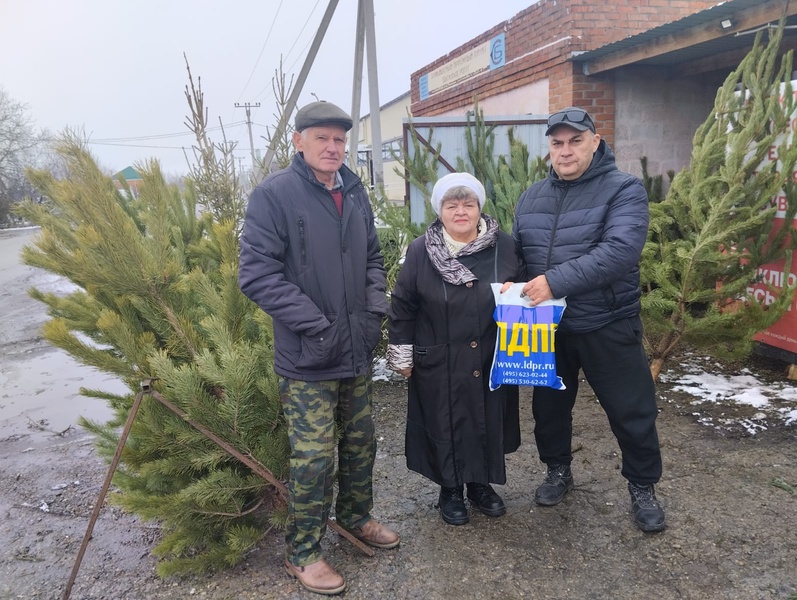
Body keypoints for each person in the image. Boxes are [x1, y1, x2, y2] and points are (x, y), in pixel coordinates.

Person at [239, 100, 399, 596]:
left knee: (360, 444)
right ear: (299, 141)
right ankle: (303, 552)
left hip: (355, 348)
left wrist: (374, 310)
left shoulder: (353, 191)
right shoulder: (274, 196)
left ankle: (355, 518)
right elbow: (257, 275)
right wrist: (318, 325)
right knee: (311, 460)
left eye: (339, 140)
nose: (332, 148)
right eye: (322, 138)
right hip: (308, 356)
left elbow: (372, 256)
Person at [509, 107, 666, 532]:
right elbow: (518, 255)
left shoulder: (625, 190)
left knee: (631, 409)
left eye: (575, 141)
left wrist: (553, 282)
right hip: (548, 327)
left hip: (607, 321)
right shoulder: (530, 197)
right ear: (550, 149)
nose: (565, 151)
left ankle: (642, 486)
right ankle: (557, 470)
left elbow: (619, 252)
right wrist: (505, 285)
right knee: (550, 408)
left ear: (594, 142)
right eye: (557, 143)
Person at [387, 172, 524, 526]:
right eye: (452, 204)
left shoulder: (505, 246)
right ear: (440, 210)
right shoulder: (421, 251)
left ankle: (480, 485)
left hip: (491, 353)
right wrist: (401, 350)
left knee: (484, 417)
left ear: (480, 208)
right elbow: (403, 304)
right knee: (445, 421)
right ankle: (450, 489)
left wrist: (519, 292)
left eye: (468, 203)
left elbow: (526, 290)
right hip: (440, 356)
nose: (461, 211)